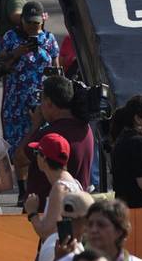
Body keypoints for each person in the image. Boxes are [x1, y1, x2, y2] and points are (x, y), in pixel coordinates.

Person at [0, 1, 59, 194]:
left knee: (42, 144)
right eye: (29, 22)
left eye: (36, 23)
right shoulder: (10, 38)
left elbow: (56, 70)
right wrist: (15, 53)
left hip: (42, 102)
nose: (32, 27)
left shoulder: (49, 39)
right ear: (22, 20)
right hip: (16, 102)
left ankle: (40, 186)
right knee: (18, 145)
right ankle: (23, 189)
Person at [17, 75, 94, 207]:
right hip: (75, 208)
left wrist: (35, 126)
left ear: (49, 103)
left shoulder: (50, 135)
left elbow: (20, 159)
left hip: (44, 213)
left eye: (41, 100)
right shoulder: (86, 129)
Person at [22, 133, 81, 240]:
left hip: (57, 252)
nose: (36, 158)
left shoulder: (60, 188)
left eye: (37, 153)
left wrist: (32, 212)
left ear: (44, 158)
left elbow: (46, 233)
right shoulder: (72, 182)